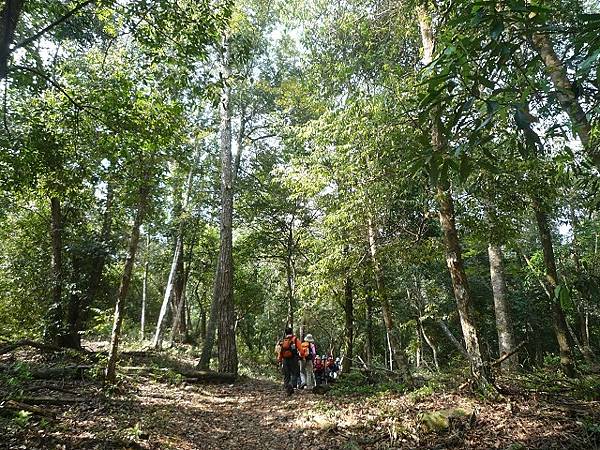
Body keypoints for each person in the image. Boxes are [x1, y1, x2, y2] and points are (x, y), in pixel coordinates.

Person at [276, 327, 304, 395]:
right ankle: (293, 387)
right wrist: (301, 356)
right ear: (292, 332)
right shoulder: (295, 339)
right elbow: (301, 350)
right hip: (293, 359)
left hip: (285, 360)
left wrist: (279, 359)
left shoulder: (283, 341)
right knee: (294, 373)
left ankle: (286, 387)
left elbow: (280, 351)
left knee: (286, 374)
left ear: (286, 333)